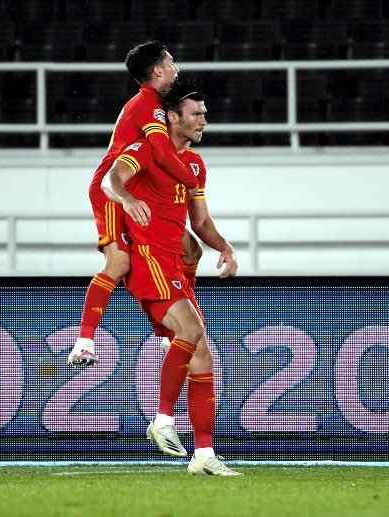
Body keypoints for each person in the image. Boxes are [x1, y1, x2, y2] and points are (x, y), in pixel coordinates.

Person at [102, 77, 240, 476]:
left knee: (202, 358)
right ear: (173, 117)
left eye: (205, 114)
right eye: (196, 113)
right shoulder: (145, 148)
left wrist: (226, 247)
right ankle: (162, 418)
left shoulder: (194, 164)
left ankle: (203, 456)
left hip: (172, 265)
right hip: (148, 260)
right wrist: (128, 198)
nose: (203, 120)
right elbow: (112, 180)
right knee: (193, 329)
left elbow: (201, 221)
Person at [68, 40, 202, 368]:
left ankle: (163, 333)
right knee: (119, 263)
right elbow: (159, 151)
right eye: (171, 63)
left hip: (142, 186)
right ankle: (84, 341)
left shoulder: (157, 103)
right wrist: (190, 180)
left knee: (190, 250)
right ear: (158, 70)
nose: (176, 69)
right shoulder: (148, 104)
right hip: (116, 186)